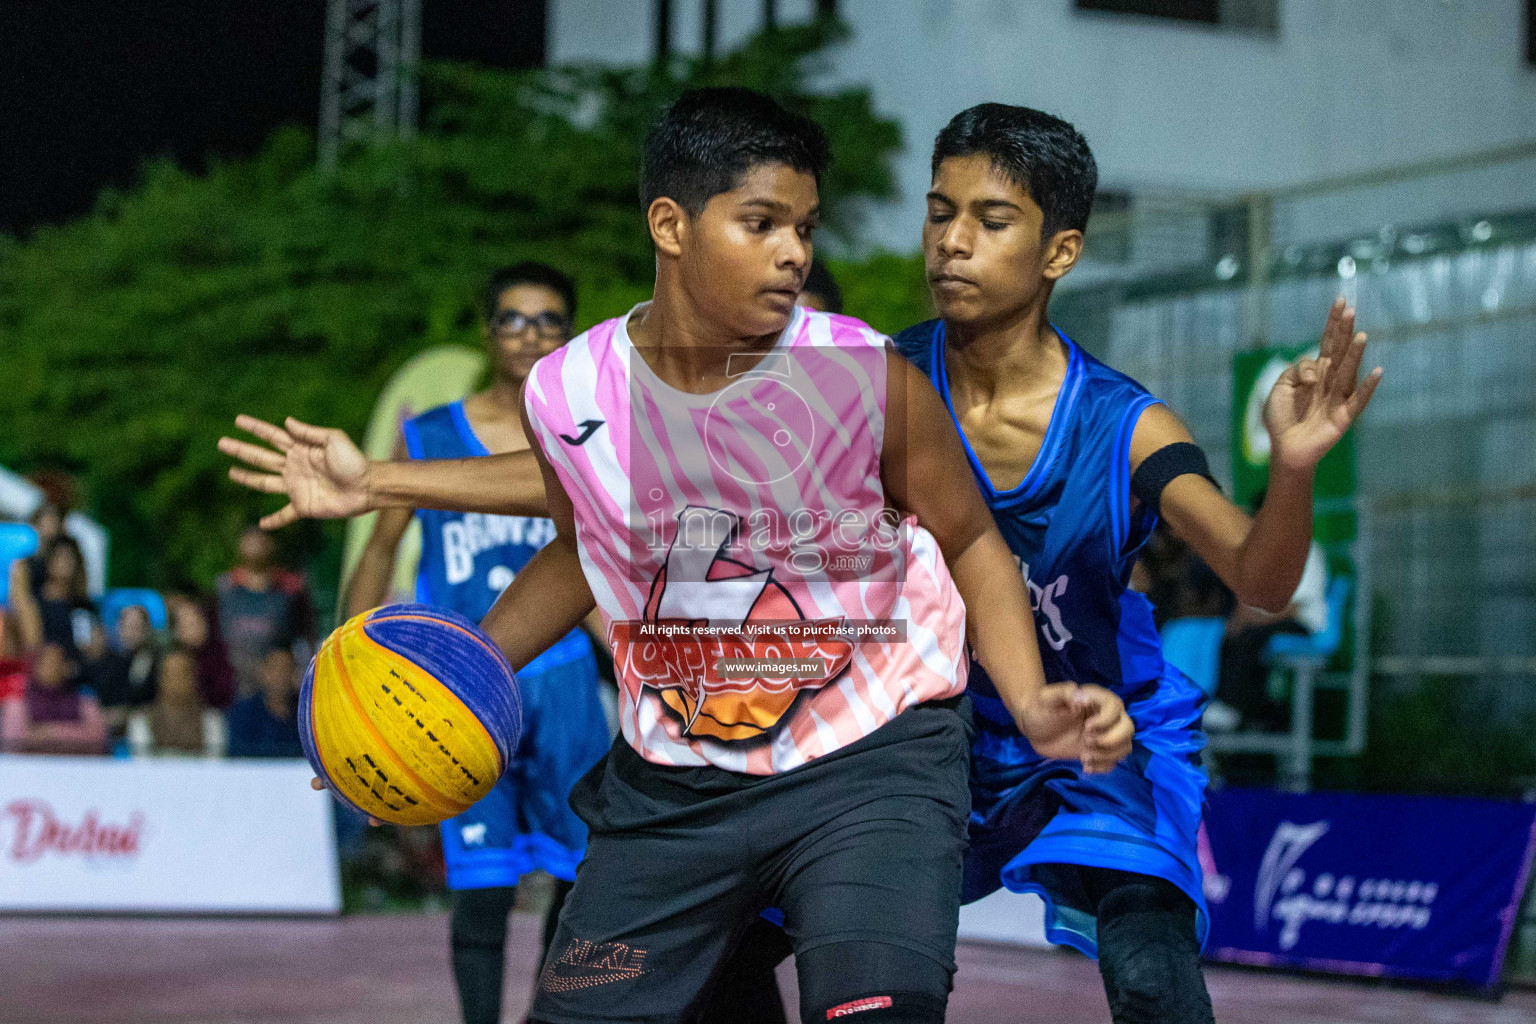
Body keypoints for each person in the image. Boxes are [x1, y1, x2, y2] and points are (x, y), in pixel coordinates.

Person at [220, 87, 1134, 1024]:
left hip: (872, 765)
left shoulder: (861, 376)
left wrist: (1028, 702)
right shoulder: (570, 388)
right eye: (761, 223)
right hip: (673, 789)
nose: (794, 252)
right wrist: (437, 694)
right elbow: (583, 552)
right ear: (671, 224)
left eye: (805, 228)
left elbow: (972, 537)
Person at [882, 104, 1377, 1023]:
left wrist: (1294, 473)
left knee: (1149, 962)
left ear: (1059, 252)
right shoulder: (875, 383)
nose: (952, 242)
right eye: (939, 211)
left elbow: (1260, 581)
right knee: (816, 944)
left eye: (991, 222)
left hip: (1102, 722)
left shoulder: (1126, 425)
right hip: (931, 728)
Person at [344, 262, 613, 1024]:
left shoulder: (583, 440)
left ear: (567, 334)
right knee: (483, 886)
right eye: (513, 320)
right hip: (461, 695)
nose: (530, 335)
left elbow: (593, 571)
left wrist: (635, 669)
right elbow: (375, 553)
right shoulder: (428, 437)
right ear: (487, 331)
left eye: (548, 321)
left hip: (563, 685)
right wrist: (353, 680)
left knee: (576, 881)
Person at [215, 527, 316, 698]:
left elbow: (305, 639)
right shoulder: (224, 589)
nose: (256, 545)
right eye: (250, 539)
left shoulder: (291, 591)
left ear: (272, 544)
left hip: (277, 693)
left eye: (261, 539)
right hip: (230, 690)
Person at [8, 535, 104, 680]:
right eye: (60, 557)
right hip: (39, 673)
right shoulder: (34, 605)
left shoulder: (83, 605)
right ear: (49, 561)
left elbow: (89, 648)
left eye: (70, 558)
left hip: (74, 674)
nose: (65, 563)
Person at [0, 642, 107, 754]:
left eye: (57, 662)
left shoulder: (86, 703)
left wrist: (49, 732)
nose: (53, 667)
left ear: (66, 666)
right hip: (29, 767)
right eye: (47, 663)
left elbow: (97, 737)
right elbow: (14, 739)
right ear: (35, 666)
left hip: (77, 766)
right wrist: (72, 733)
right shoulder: (17, 704)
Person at [126, 644, 225, 757]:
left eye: (183, 673)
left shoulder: (212, 721)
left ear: (194, 678)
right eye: (170, 674)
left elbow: (214, 765)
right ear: (160, 679)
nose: (177, 680)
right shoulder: (141, 721)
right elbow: (142, 765)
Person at [93, 603, 162, 738]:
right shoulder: (106, 660)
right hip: (107, 724)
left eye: (137, 627)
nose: (131, 632)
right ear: (119, 628)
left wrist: (127, 714)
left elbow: (154, 701)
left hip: (141, 724)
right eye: (127, 626)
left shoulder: (154, 662)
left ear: (146, 630)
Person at [226, 646, 305, 758]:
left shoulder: (304, 715)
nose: (280, 676)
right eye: (274, 668)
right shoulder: (243, 712)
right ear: (263, 671)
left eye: (286, 669)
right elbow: (237, 756)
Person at [167, 591, 237, 710]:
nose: (191, 628)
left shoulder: (223, 655)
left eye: (195, 621)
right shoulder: (172, 660)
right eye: (185, 624)